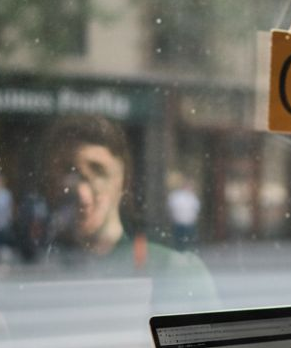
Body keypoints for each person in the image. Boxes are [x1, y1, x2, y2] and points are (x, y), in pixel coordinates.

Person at [56, 117, 217, 310]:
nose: (82, 193)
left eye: (98, 172)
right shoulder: (50, 266)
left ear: (123, 181)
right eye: (71, 173)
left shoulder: (174, 269)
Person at [165, 172, 201, 250]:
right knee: (179, 240)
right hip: (179, 222)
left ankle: (185, 251)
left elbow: (196, 209)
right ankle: (180, 251)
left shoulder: (192, 197)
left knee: (187, 240)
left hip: (189, 223)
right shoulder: (177, 195)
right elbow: (172, 207)